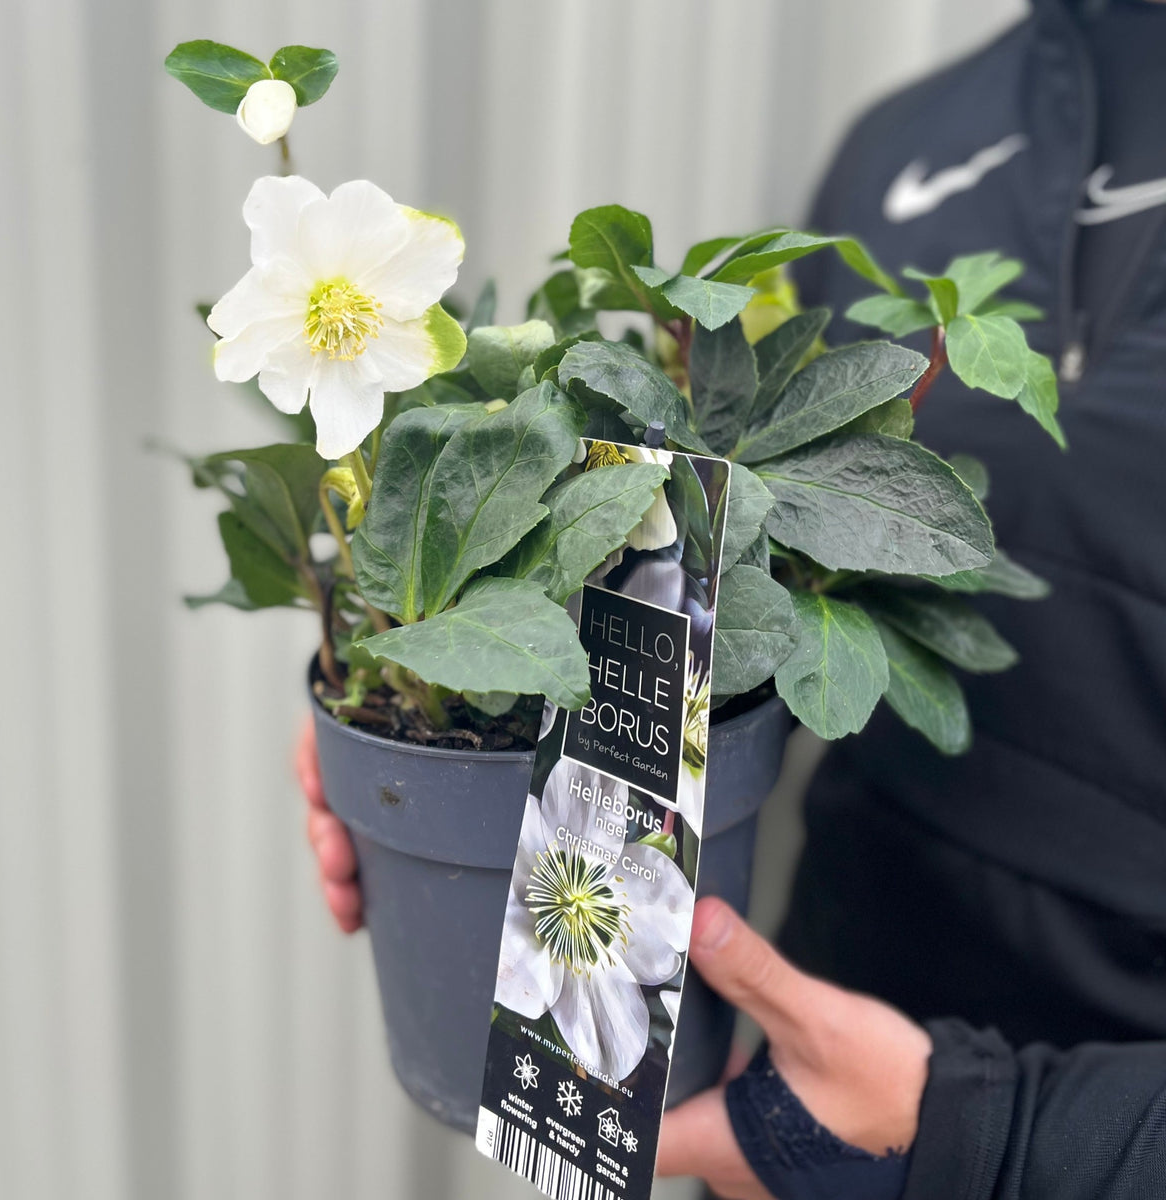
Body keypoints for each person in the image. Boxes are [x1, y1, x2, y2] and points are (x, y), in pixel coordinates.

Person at [297, 0, 1166, 1194]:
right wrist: (418, 707)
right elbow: (767, 577)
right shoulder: (916, 141)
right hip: (797, 1097)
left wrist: (990, 1142)